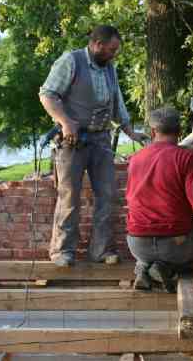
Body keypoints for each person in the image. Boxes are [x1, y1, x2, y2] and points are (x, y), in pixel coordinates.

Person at [39, 25, 148, 267]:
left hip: (101, 140)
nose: (114, 54)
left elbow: (117, 102)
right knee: (69, 196)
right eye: (111, 49)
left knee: (107, 195)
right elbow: (47, 94)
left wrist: (131, 131)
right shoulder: (71, 61)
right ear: (97, 45)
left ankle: (100, 251)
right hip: (72, 141)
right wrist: (65, 122)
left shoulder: (109, 68)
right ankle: (62, 251)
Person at [125, 107, 193, 291]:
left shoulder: (135, 159)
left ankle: (144, 268)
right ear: (179, 131)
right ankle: (165, 269)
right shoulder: (187, 158)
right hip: (175, 245)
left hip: (137, 244)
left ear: (153, 132)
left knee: (153, 251)